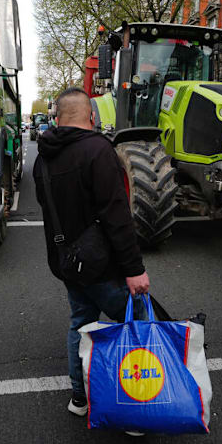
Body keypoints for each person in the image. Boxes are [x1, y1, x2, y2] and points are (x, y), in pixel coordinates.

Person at [33, 87, 150, 418]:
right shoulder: (98, 150)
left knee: (81, 323)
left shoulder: (43, 158)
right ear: (91, 115)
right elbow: (117, 216)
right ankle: (136, 404)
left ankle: (79, 399)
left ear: (57, 117)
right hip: (103, 265)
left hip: (68, 262)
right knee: (137, 324)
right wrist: (134, 269)